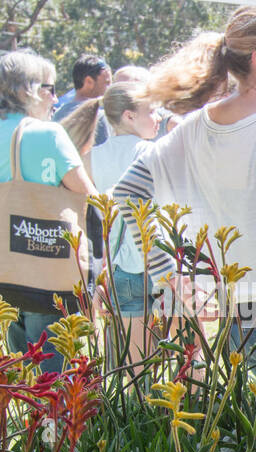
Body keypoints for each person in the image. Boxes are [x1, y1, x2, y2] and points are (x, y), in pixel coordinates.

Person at [114, 5, 256, 357]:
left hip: (235, 306)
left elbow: (129, 192)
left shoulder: (193, 127)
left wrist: (169, 277)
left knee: (245, 405)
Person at [1, 49, 96, 372]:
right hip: (46, 270)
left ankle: (30, 424)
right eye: (49, 88)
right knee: (53, 377)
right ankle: (52, 424)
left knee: (20, 374)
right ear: (24, 89)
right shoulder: (47, 134)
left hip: (5, 271)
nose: (56, 99)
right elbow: (87, 196)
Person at [81, 83, 160, 348]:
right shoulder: (152, 152)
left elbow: (86, 222)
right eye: (151, 111)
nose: (158, 117)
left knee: (136, 367)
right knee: (182, 359)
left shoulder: (89, 159)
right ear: (129, 115)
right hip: (159, 265)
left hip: (119, 268)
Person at [53, 54, 110, 146]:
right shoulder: (97, 116)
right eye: (107, 83)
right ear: (89, 82)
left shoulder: (57, 115)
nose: (109, 88)